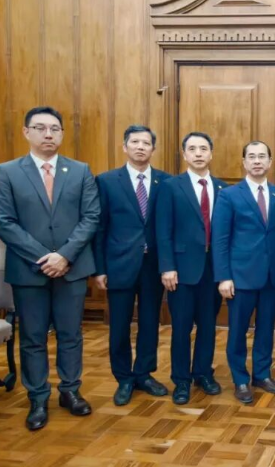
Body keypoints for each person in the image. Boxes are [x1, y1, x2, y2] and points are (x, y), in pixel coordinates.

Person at [0, 106, 100, 431]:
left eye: (54, 128)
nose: (48, 134)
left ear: (62, 134)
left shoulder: (80, 171)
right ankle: (38, 398)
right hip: (29, 270)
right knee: (33, 336)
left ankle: (70, 391)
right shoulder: (7, 172)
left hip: (72, 267)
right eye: (40, 128)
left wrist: (64, 255)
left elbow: (91, 217)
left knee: (71, 333)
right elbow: (4, 223)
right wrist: (45, 257)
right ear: (26, 132)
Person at [93, 125, 170, 406]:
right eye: (134, 142)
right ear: (124, 147)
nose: (140, 147)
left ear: (153, 149)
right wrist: (100, 268)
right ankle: (123, 378)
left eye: (146, 143)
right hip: (119, 264)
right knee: (119, 325)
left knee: (150, 323)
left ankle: (144, 374)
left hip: (153, 266)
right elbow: (100, 228)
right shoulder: (106, 181)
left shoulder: (166, 182)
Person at [212, 141, 275, 404]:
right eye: (252, 157)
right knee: (237, 330)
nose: (257, 161)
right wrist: (223, 276)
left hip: (271, 276)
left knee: (266, 328)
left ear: (270, 162)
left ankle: (262, 374)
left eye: (262, 156)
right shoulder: (229, 195)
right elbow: (220, 238)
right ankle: (240, 379)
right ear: (244, 162)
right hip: (240, 277)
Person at [156, 132, 228, 405]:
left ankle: (203, 374)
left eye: (203, 149)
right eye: (193, 149)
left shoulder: (223, 189)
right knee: (181, 327)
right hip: (181, 270)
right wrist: (167, 267)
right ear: (184, 154)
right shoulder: (170, 187)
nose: (198, 153)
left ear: (211, 154)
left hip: (213, 270)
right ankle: (181, 380)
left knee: (208, 326)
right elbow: (163, 230)